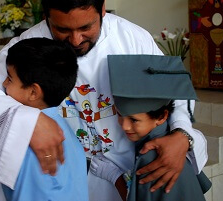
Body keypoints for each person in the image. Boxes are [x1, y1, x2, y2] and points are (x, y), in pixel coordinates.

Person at [0, 0, 208, 201]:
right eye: (62, 30)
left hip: (124, 168)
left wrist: (181, 133)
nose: (76, 40)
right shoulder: (30, 46)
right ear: (46, 18)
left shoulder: (132, 38)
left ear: (102, 9)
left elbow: (173, 90)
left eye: (86, 27)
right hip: (60, 172)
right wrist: (27, 119)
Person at [90, 55, 211, 201]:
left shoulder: (154, 157)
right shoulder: (162, 138)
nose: (124, 126)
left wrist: (115, 177)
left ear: (161, 117)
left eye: (134, 120)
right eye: (120, 115)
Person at [0, 37, 88, 200]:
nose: (4, 84)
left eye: (10, 78)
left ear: (33, 92)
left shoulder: (32, 141)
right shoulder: (63, 127)